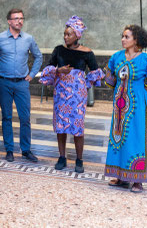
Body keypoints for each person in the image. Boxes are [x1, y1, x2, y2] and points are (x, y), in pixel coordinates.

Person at [104, 25, 147, 193]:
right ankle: (120, 176)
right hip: (120, 107)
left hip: (139, 106)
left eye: (127, 37)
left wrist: (146, 87)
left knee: (137, 138)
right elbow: (110, 79)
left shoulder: (146, 59)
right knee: (119, 139)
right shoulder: (116, 57)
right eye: (122, 36)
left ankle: (137, 180)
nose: (123, 39)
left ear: (136, 40)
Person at [39, 16, 104, 173]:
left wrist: (84, 84)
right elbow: (47, 69)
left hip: (77, 96)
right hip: (61, 94)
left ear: (77, 35)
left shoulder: (87, 52)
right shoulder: (59, 50)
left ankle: (79, 160)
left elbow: (96, 73)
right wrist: (58, 70)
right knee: (61, 126)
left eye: (69, 34)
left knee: (77, 127)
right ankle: (62, 157)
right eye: (65, 34)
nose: (65, 37)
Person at [0, 8, 42, 162]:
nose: (19, 21)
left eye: (21, 18)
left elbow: (38, 56)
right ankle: (9, 150)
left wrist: (31, 75)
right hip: (4, 82)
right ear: (9, 21)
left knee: (25, 117)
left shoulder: (28, 39)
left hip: (22, 83)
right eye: (16, 18)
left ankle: (26, 150)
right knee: (7, 116)